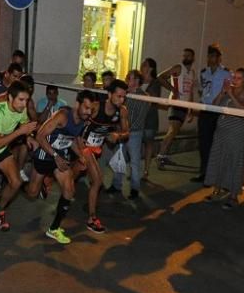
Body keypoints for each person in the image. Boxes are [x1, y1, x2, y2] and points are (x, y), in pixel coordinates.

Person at [27, 90, 97, 244]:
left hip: (60, 156)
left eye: (91, 109)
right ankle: (33, 180)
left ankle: (54, 228)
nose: (89, 112)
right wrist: (55, 156)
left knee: (69, 189)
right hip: (45, 153)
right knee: (32, 193)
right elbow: (39, 135)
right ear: (77, 104)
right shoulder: (63, 116)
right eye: (86, 108)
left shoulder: (84, 121)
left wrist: (80, 155)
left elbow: (73, 138)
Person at [0, 81, 39, 230]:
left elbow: (24, 124)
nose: (24, 104)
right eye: (21, 100)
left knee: (16, 182)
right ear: (10, 98)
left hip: (0, 151)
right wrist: (20, 133)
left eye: (27, 100)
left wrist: (29, 136)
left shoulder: (20, 110)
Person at [203, 67, 244, 208]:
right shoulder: (228, 90)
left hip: (237, 131)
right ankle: (216, 189)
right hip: (222, 130)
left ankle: (233, 196)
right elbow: (214, 106)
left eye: (239, 78)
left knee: (235, 161)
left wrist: (231, 94)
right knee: (219, 158)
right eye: (234, 77)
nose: (235, 80)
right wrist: (223, 93)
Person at [81, 80, 130, 234]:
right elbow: (78, 119)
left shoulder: (122, 111)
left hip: (96, 149)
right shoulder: (95, 107)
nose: (121, 100)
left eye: (124, 97)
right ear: (109, 94)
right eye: (118, 96)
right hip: (81, 147)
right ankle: (92, 219)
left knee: (76, 177)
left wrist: (117, 135)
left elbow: (126, 132)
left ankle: (49, 180)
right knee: (97, 181)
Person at [107, 70, 151, 199]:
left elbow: (140, 118)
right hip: (123, 131)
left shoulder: (143, 97)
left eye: (129, 78)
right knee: (120, 158)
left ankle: (134, 189)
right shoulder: (125, 95)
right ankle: (116, 185)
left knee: (134, 162)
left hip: (134, 133)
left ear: (137, 81)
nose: (127, 80)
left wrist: (127, 130)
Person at [194, 44, 231, 183]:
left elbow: (228, 92)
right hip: (205, 109)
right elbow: (200, 89)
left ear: (219, 58)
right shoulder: (204, 72)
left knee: (217, 143)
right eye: (209, 56)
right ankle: (204, 172)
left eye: (213, 56)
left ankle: (215, 174)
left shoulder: (226, 73)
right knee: (204, 143)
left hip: (218, 111)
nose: (210, 58)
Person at [156, 48, 197, 166]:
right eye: (184, 56)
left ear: (193, 58)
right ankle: (160, 155)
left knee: (174, 131)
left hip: (185, 105)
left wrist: (191, 109)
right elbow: (160, 77)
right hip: (176, 103)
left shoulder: (192, 72)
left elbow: (190, 92)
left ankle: (164, 155)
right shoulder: (178, 67)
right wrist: (173, 89)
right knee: (173, 130)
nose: (185, 58)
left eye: (188, 56)